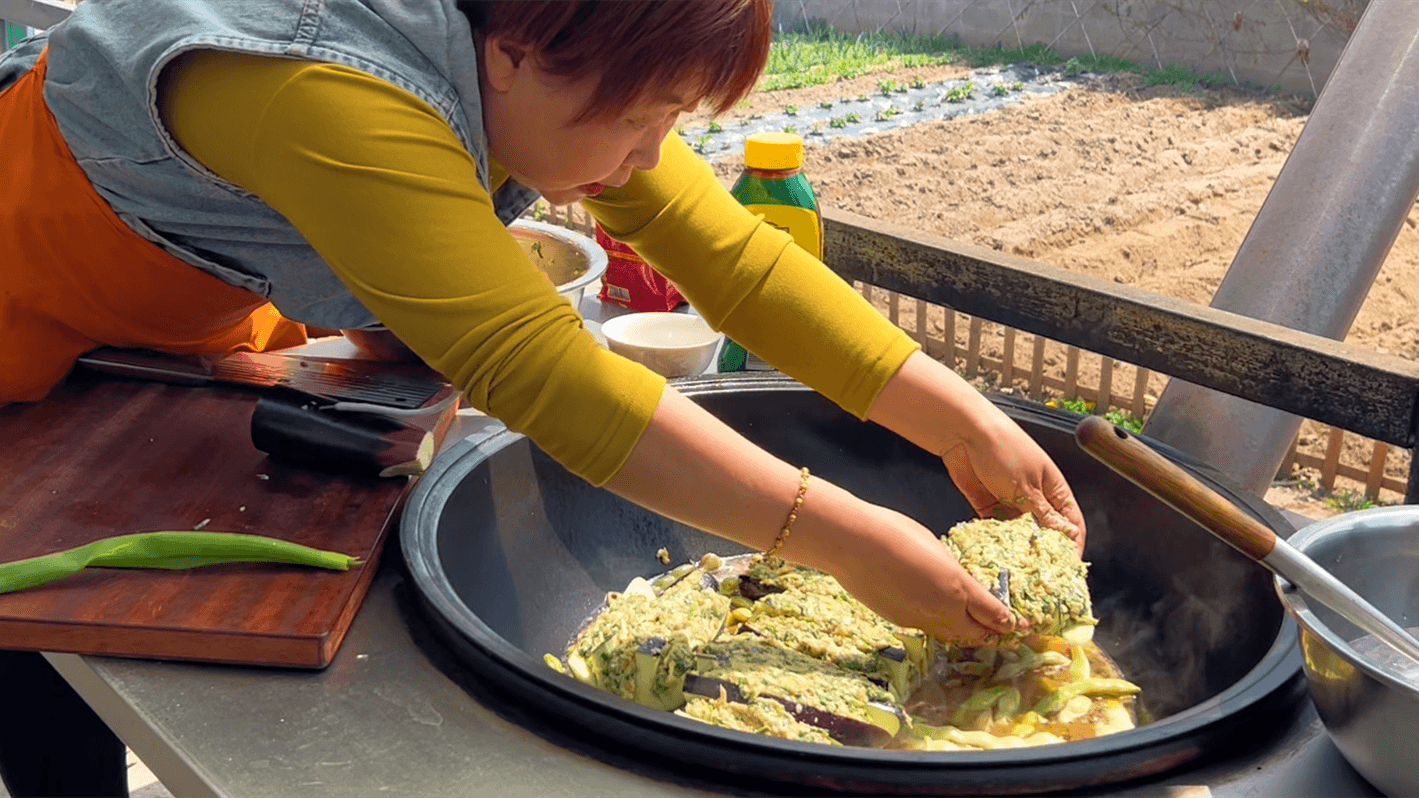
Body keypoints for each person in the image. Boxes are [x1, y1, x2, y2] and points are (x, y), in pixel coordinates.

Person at [1, 1, 1087, 793]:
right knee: (39, 624)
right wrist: (847, 541)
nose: (653, 153)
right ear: (516, 55)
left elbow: (733, 259)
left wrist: (966, 419)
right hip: (20, 299)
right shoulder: (326, 94)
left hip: (174, 309)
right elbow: (539, 368)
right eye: (646, 116)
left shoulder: (546, 54)